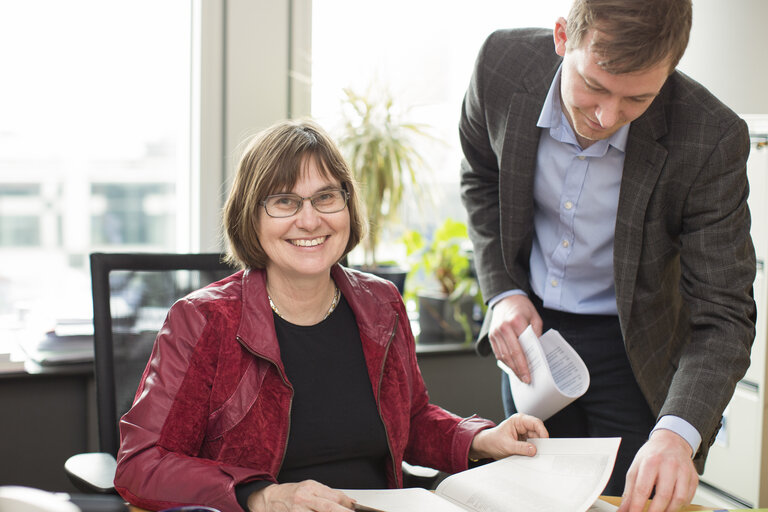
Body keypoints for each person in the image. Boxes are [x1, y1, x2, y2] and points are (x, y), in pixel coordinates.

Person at [114, 119, 548, 512]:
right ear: (251, 214)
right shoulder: (204, 320)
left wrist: (478, 439)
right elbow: (141, 465)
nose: (309, 220)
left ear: (346, 205)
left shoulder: (381, 303)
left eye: (325, 197)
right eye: (284, 201)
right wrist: (261, 495)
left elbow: (410, 421)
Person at [458, 1, 756, 511]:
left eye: (637, 98)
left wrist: (678, 435)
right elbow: (481, 179)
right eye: (594, 86)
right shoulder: (500, 67)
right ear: (561, 38)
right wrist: (503, 292)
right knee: (531, 500)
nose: (606, 117)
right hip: (533, 346)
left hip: (637, 352)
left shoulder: (710, 137)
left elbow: (724, 313)